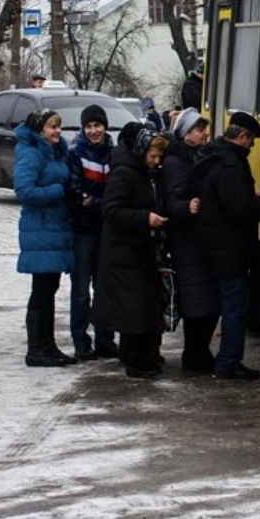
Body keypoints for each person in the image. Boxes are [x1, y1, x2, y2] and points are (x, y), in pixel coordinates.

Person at [93, 122, 170, 379]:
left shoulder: (141, 173)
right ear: (141, 151)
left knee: (141, 307)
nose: (156, 161)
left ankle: (140, 357)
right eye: (153, 156)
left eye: (159, 157)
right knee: (134, 310)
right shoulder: (124, 174)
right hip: (123, 253)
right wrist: (145, 218)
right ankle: (136, 361)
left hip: (137, 250)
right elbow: (111, 211)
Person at [193, 111, 260, 380]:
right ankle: (228, 361)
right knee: (235, 305)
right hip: (230, 247)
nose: (253, 146)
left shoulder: (211, 156)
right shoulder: (232, 165)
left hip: (212, 243)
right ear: (242, 136)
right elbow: (239, 209)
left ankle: (212, 356)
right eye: (252, 140)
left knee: (218, 302)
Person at [14, 108, 76, 367]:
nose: (57, 131)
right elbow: (24, 191)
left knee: (49, 289)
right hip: (40, 230)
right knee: (41, 291)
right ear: (40, 129)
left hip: (54, 229)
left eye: (58, 126)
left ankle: (48, 346)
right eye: (52, 126)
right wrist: (59, 190)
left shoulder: (54, 152)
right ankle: (36, 349)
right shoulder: (31, 153)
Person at [162, 108, 218, 374]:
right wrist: (188, 206)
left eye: (204, 129)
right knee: (197, 302)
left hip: (200, 238)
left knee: (205, 301)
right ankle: (195, 355)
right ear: (186, 134)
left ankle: (199, 353)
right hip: (187, 241)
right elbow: (172, 201)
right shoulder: (175, 163)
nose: (204, 133)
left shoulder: (198, 157)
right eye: (199, 129)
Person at [65, 104, 118, 361]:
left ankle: (105, 339)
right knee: (81, 291)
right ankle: (81, 340)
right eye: (89, 126)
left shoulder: (113, 153)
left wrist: (98, 203)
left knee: (105, 288)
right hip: (83, 230)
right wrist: (103, 204)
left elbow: (116, 191)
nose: (93, 130)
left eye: (97, 125)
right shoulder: (75, 153)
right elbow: (76, 194)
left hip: (106, 231)